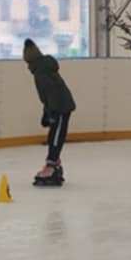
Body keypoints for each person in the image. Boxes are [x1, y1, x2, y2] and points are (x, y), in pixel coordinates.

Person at [23, 38, 75, 186]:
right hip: (58, 106)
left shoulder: (40, 72)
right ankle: (54, 162)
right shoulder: (43, 68)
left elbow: (52, 93)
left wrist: (52, 111)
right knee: (53, 135)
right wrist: (47, 112)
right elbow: (48, 95)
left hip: (61, 107)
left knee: (56, 136)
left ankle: (52, 165)